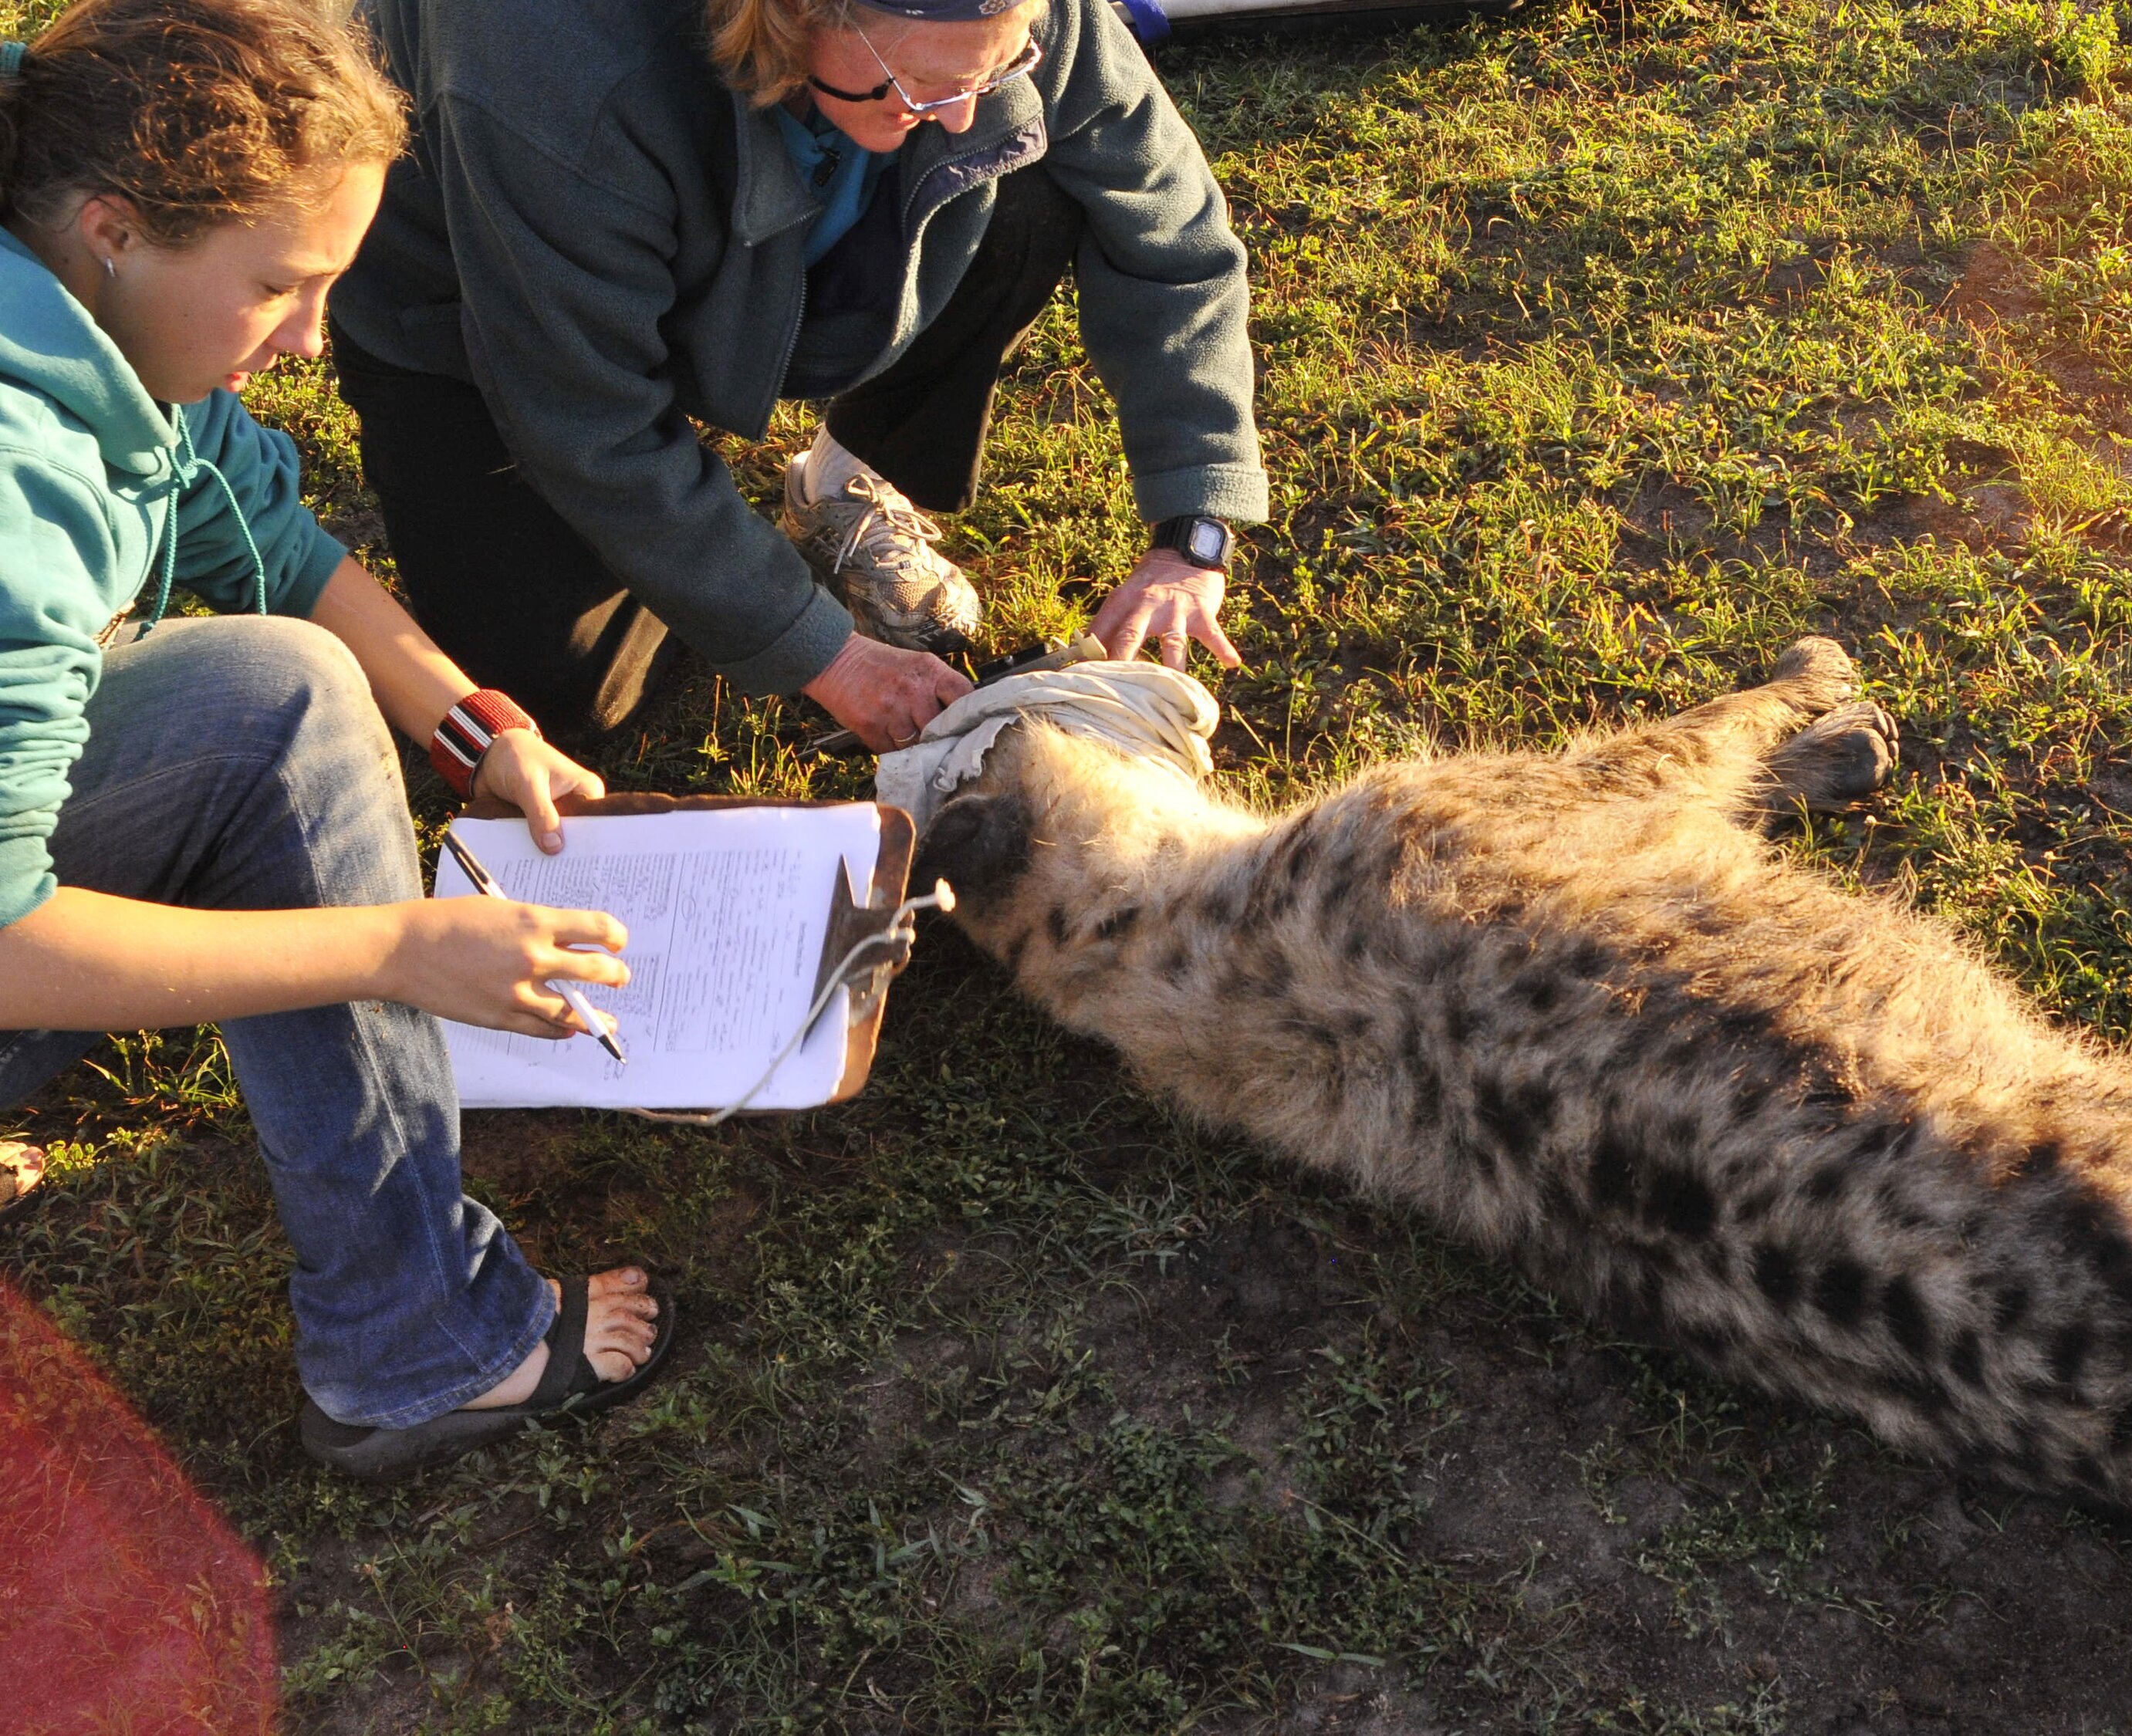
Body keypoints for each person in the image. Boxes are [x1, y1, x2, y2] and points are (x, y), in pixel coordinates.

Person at [0, 0, 669, 1480]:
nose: (309, 342)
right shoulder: (13, 485)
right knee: (278, 711)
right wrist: (395, 952)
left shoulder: (54, 256)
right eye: (280, 289)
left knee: (283, 683)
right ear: (115, 229)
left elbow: (250, 523)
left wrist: (469, 720)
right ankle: (419, 1349)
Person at [333, 0, 1268, 753]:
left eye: (996, 67)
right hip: (474, 290)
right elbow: (583, 416)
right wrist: (823, 655)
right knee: (570, 704)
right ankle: (673, 532)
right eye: (920, 83)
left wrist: (1194, 526)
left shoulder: (1011, 27)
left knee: (1027, 175)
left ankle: (847, 474)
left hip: (726, 228)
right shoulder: (550, 63)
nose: (960, 117)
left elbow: (1170, 234)